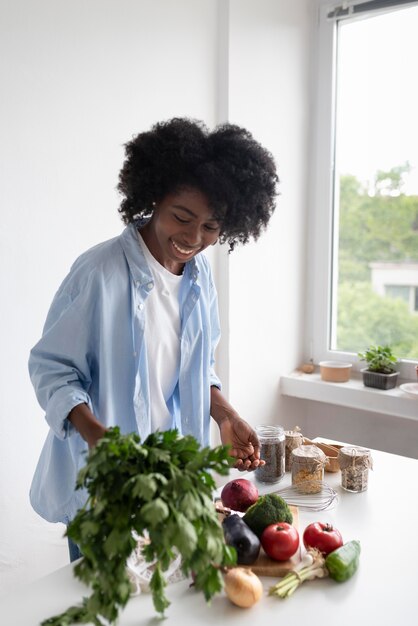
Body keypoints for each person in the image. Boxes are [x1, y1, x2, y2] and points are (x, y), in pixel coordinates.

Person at [28, 118, 278, 561]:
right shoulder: (98, 273)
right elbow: (52, 369)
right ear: (154, 196)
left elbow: (195, 370)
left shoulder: (201, 280)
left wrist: (225, 415)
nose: (193, 238)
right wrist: (96, 436)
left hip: (172, 486)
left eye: (211, 227)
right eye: (182, 217)